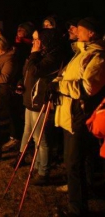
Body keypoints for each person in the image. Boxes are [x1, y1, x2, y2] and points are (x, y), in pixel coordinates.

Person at [51, 17, 105, 216]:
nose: (75, 31)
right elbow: (71, 77)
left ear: (91, 33)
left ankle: (77, 209)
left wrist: (60, 86)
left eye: (79, 29)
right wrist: (58, 80)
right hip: (70, 113)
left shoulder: (97, 56)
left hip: (80, 115)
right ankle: (87, 192)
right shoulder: (81, 52)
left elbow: (87, 88)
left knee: (74, 163)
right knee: (82, 159)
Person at [13, 29, 65, 185]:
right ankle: (35, 164)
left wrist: (34, 54)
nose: (34, 43)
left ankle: (44, 171)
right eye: (34, 39)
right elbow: (27, 72)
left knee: (40, 138)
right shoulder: (39, 55)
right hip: (30, 98)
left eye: (37, 40)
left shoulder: (52, 57)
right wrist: (21, 83)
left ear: (46, 42)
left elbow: (34, 70)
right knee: (28, 130)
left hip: (39, 101)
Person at [2, 21, 36, 152]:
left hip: (21, 83)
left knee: (17, 111)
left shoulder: (28, 47)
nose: (19, 32)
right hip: (14, 81)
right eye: (18, 29)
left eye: (22, 30)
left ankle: (17, 138)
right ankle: (16, 136)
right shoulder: (16, 44)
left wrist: (19, 81)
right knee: (12, 110)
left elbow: (24, 65)